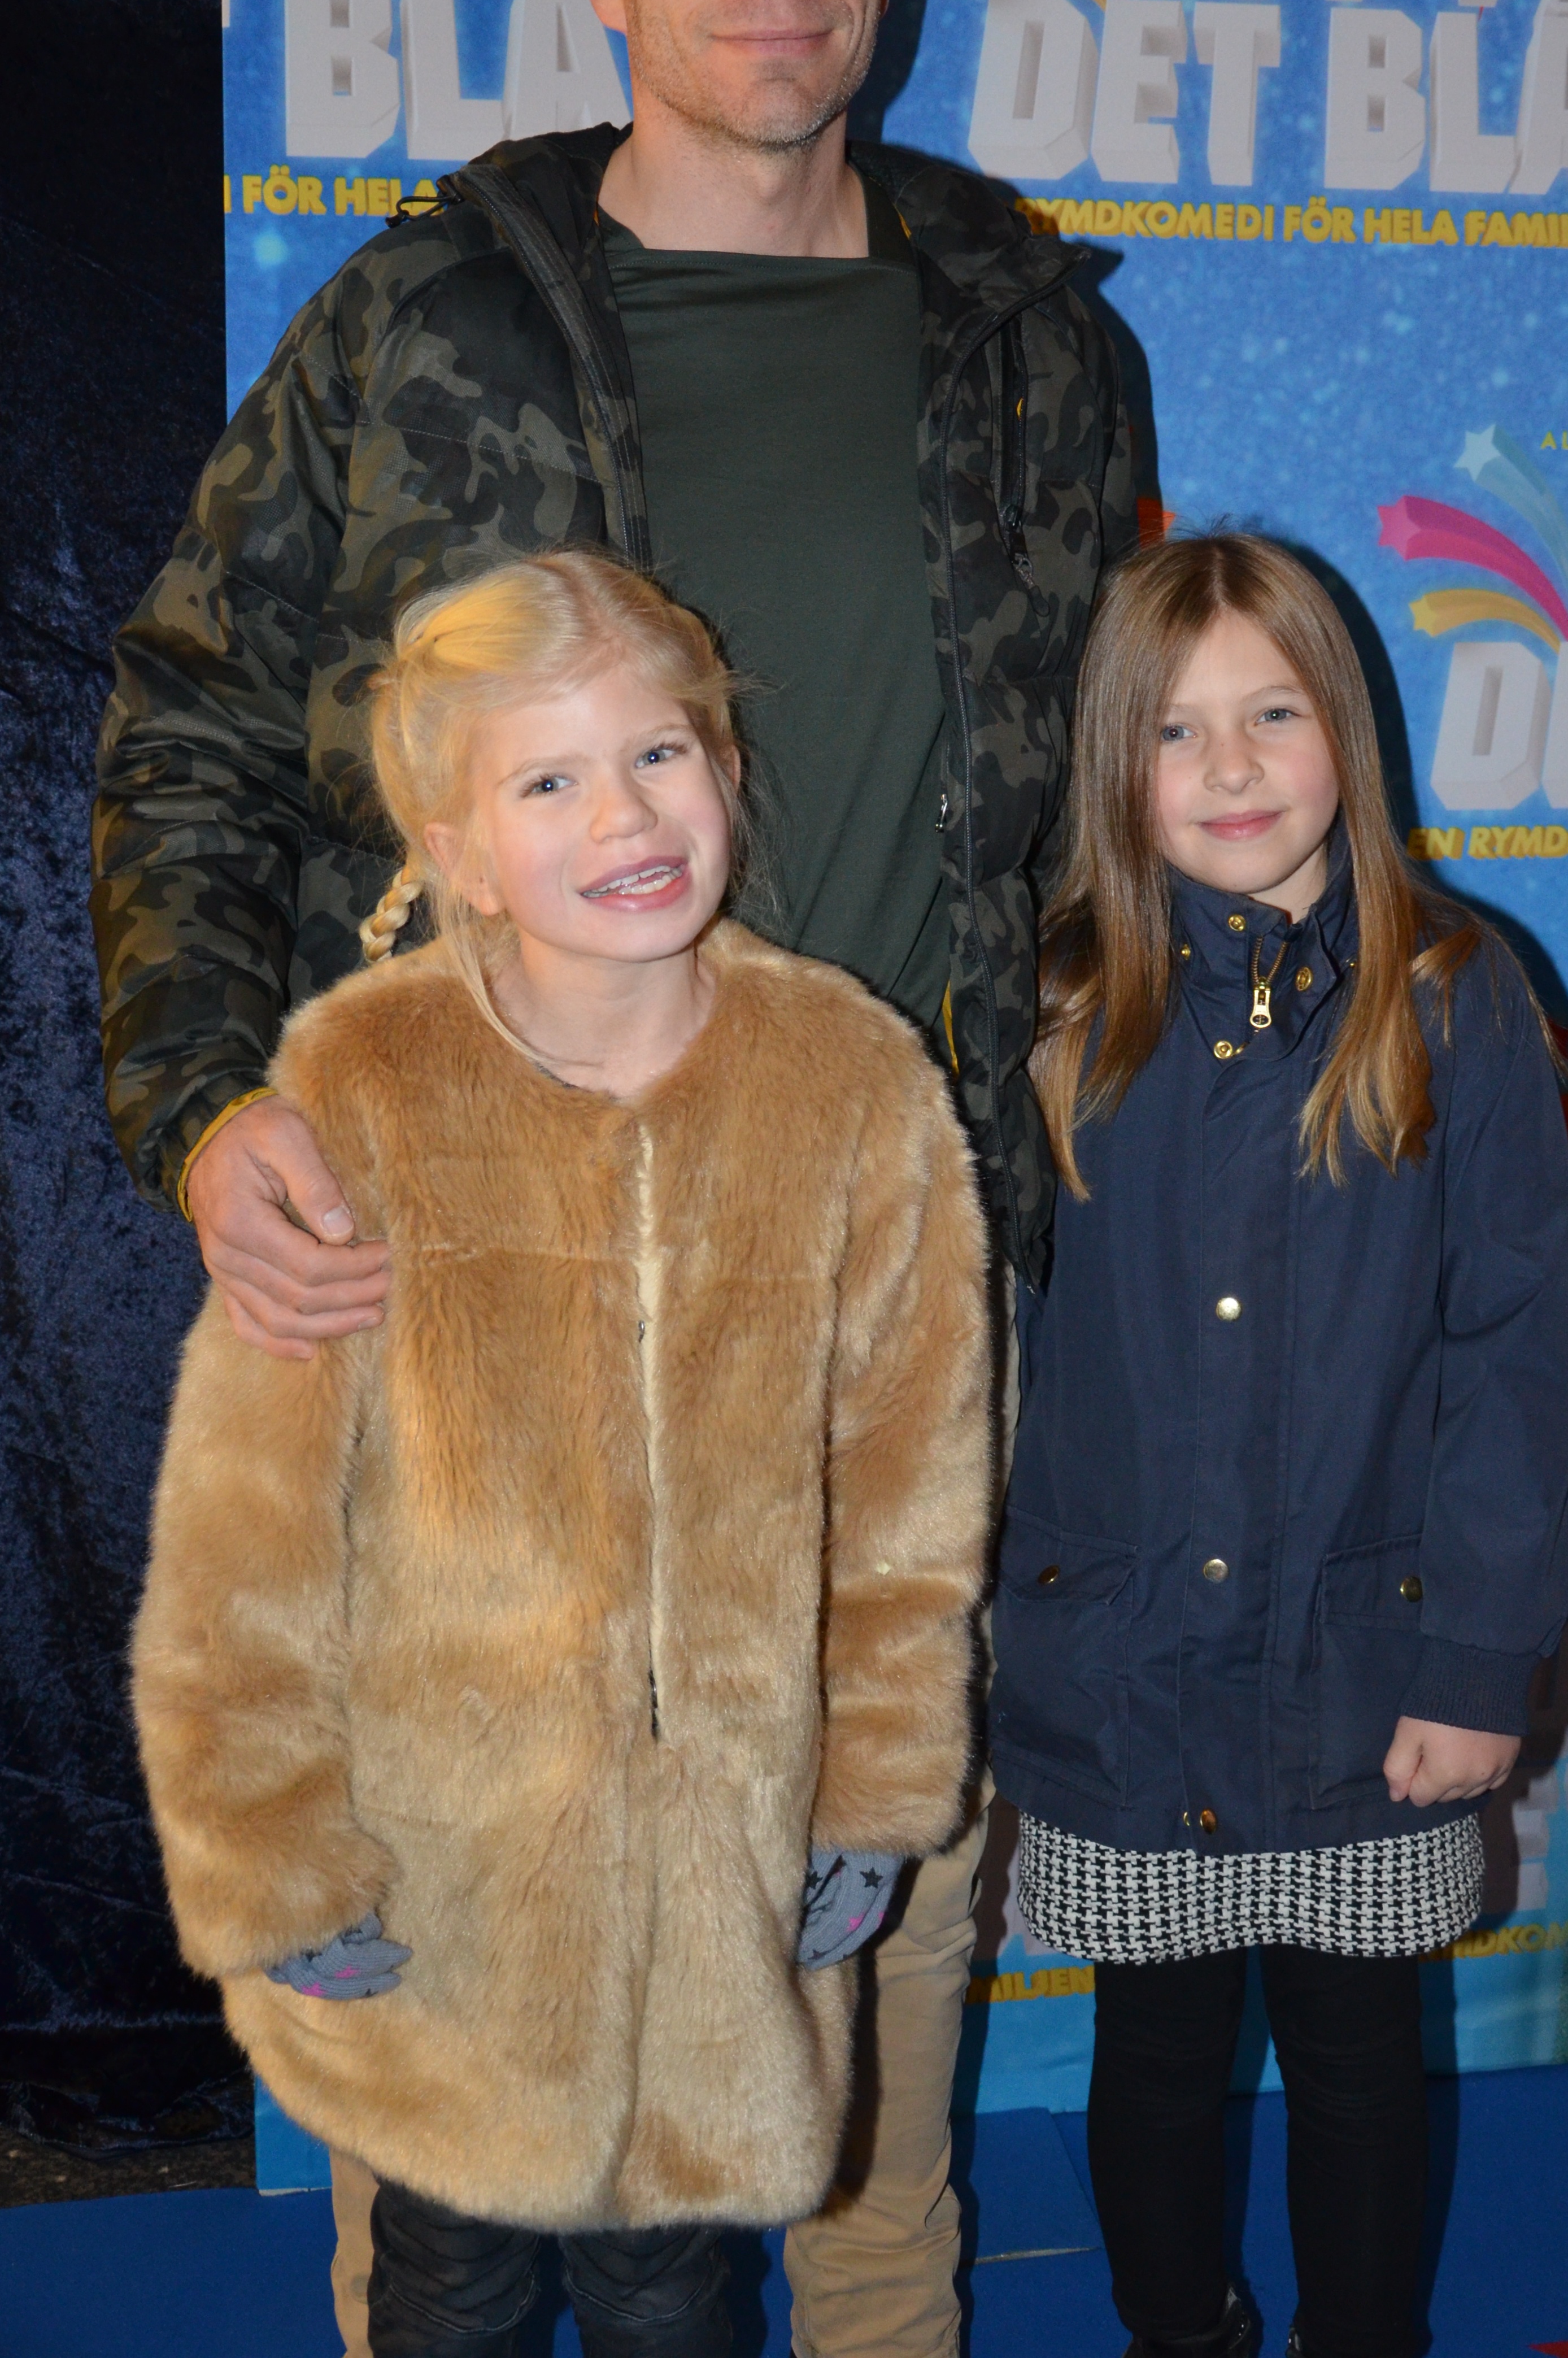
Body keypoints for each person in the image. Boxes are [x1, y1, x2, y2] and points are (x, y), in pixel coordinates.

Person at [91, 0, 1143, 2357]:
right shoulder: (426, 324)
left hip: (876, 1333)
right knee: (459, 2102)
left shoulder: (1036, 346)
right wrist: (206, 1104)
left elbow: (1094, 826)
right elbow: (193, 731)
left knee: (878, 2045)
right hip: (485, 1368)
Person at [131, 549, 993, 2358]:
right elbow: (247, 1527)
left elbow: (910, 1499)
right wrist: (270, 1846)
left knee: (679, 2299)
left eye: (661, 754)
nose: (626, 817)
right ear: (455, 849)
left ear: (729, 770)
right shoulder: (360, 1089)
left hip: (730, 1874)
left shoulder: (857, 1086)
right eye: (549, 780)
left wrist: (874, 1787)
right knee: (447, 2288)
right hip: (449, 1879)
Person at [988, 532, 1568, 2358]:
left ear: (1351, 730)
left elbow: (1519, 1358)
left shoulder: (1459, 993)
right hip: (1130, 1664)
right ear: (1116, 764)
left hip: (1371, 1675)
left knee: (1359, 2056)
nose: (1230, 768)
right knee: (1157, 2056)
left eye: (1274, 715)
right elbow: (986, 1354)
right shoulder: (1053, 1003)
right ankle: (1180, 2332)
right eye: (1176, 731)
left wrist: (1478, 1665)